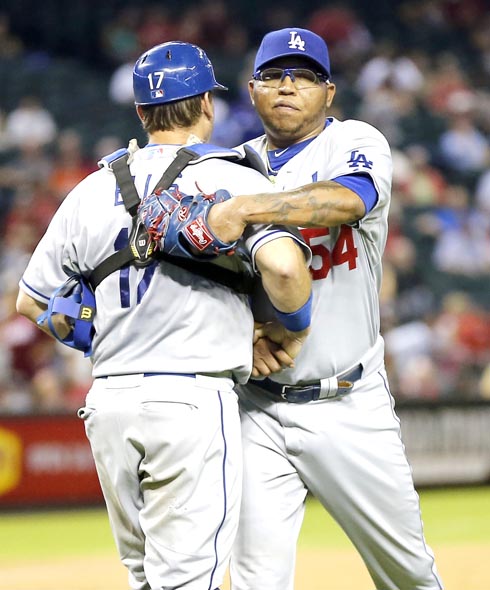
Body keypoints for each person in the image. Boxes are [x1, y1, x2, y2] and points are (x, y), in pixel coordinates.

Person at [16, 41, 313, 590]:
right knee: (188, 578)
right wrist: (292, 328)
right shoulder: (234, 179)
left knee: (146, 576)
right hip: (191, 401)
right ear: (207, 105)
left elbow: (33, 300)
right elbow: (288, 270)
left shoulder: (91, 188)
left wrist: (103, 334)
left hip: (108, 403)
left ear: (139, 111)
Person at [207, 27, 445, 590]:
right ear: (252, 90)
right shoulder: (229, 165)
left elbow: (349, 199)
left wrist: (246, 208)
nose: (288, 85)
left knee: (408, 575)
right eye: (274, 75)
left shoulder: (354, 141)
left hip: (348, 401)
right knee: (257, 582)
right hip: (256, 408)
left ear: (329, 92)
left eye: (305, 75)